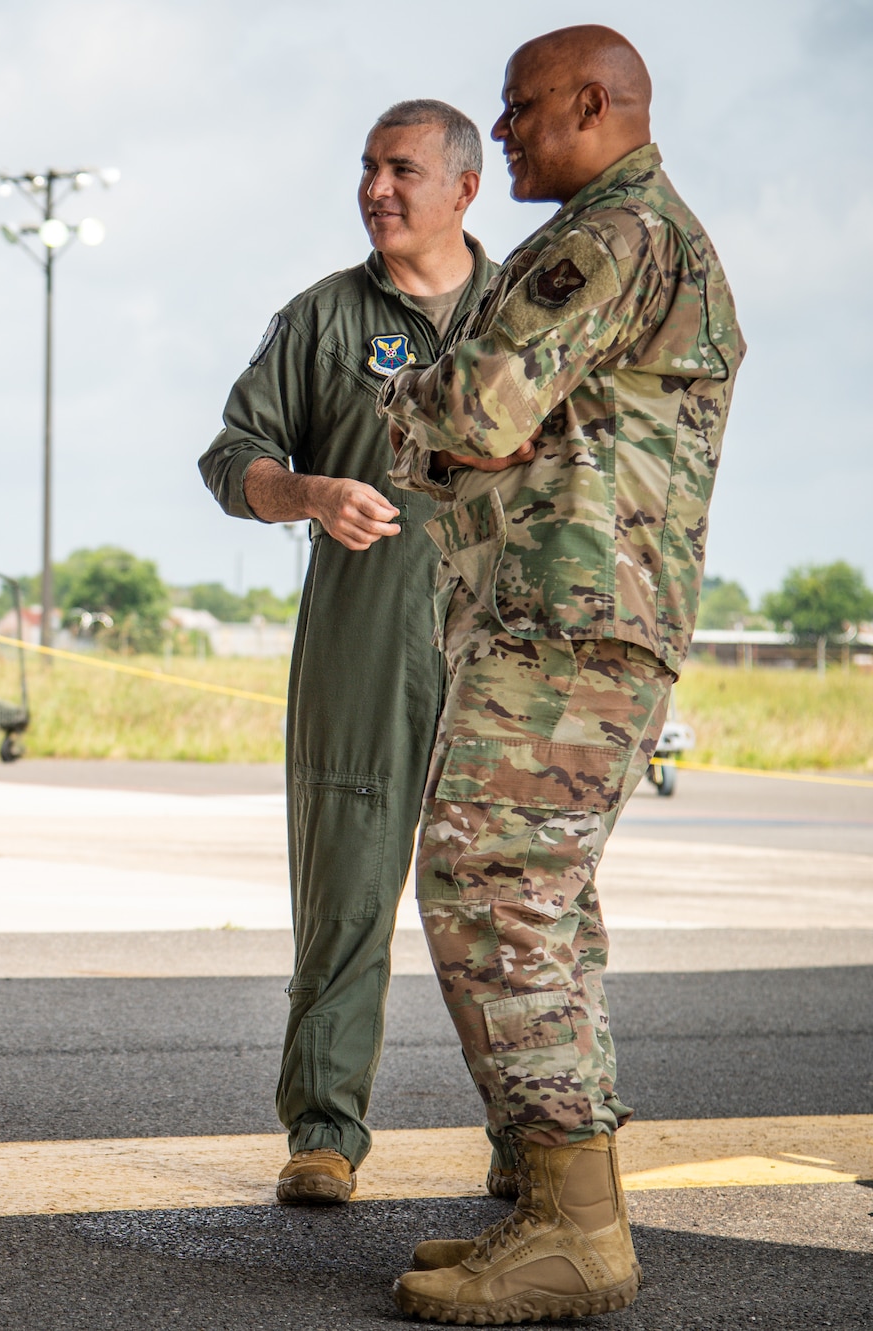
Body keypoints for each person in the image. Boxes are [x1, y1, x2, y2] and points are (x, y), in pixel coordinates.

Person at [379, 26, 743, 1323]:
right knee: (536, 895)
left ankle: (580, 1230)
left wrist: (411, 401)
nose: (510, 129)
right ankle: (556, 1201)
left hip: (570, 622)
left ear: (597, 103)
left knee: (495, 883)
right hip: (563, 617)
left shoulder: (614, 238)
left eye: (523, 110)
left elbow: (477, 414)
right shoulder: (624, 237)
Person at [199, 101, 497, 1207]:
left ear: (462, 188)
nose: (376, 187)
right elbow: (231, 454)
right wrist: (305, 493)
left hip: (501, 644)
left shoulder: (524, 311)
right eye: (366, 167)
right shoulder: (323, 319)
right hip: (362, 642)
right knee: (345, 888)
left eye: (401, 169)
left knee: (507, 901)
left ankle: (535, 1137)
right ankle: (323, 1129)